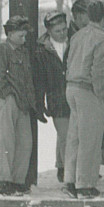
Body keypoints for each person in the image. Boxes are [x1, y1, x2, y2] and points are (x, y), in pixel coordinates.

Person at [0, 15, 43, 196]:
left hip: (23, 102)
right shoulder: (2, 50)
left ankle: (18, 181)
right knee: (5, 141)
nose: (24, 38)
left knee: (24, 142)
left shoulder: (23, 52)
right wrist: (8, 95)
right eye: (20, 35)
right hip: (7, 100)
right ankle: (2, 181)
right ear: (10, 33)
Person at [64, 0, 104, 198]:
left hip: (71, 87)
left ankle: (70, 180)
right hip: (87, 89)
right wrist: (99, 94)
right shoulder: (103, 38)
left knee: (74, 137)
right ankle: (85, 184)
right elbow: (99, 70)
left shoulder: (77, 35)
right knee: (90, 139)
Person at [33, 10, 69, 182]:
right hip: (56, 98)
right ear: (49, 31)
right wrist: (40, 103)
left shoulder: (73, 42)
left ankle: (62, 166)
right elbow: (39, 79)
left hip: (74, 95)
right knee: (66, 135)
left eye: (64, 29)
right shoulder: (42, 50)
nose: (62, 34)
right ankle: (69, 172)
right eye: (57, 31)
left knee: (69, 135)